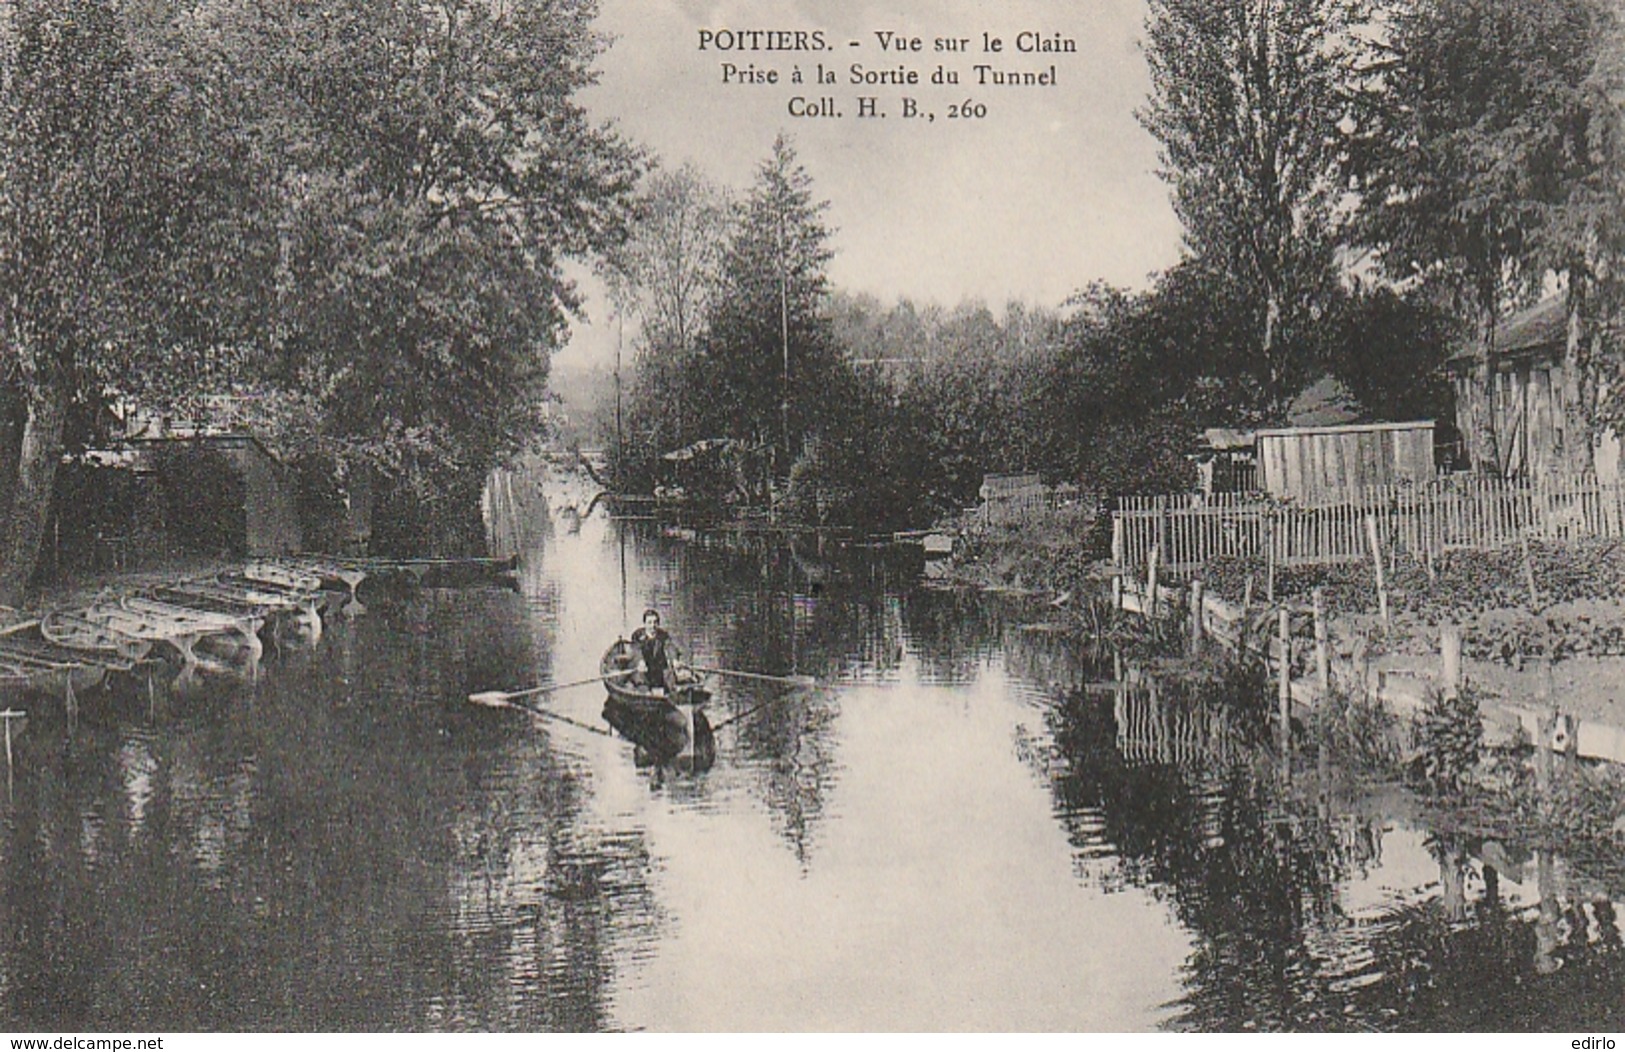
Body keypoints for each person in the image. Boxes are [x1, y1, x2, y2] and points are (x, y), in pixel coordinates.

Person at [629, 608, 682, 694]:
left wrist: (674, 659)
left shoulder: (663, 635)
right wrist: (640, 661)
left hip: (659, 669)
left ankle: (672, 692)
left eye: (655, 622)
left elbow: (670, 647)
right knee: (640, 679)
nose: (652, 626)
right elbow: (636, 650)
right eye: (649, 622)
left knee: (670, 676)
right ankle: (646, 693)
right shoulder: (637, 636)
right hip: (643, 669)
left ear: (658, 623)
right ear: (644, 624)